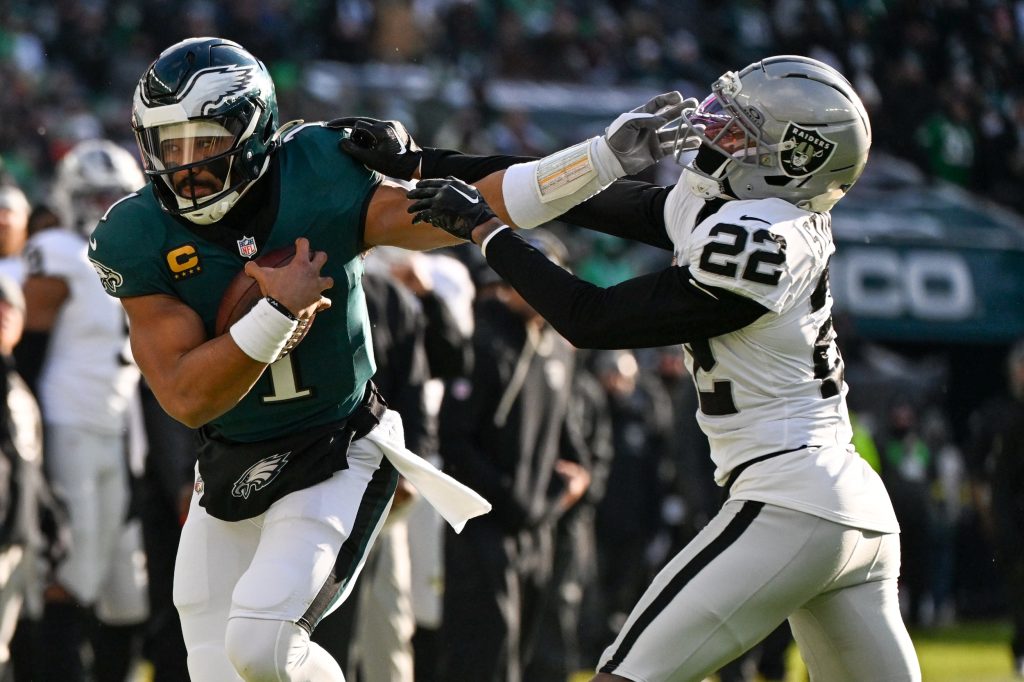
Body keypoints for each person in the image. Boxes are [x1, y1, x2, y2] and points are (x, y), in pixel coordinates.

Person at [341, 54, 921, 681]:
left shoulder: (762, 240)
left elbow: (593, 319)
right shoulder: (743, 215)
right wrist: (422, 162)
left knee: (624, 675)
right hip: (845, 504)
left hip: (792, 498)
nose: (713, 129)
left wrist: (486, 234)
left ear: (792, 160)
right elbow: (569, 202)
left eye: (740, 130)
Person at [85, 37, 490, 682]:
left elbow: (466, 208)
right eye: (170, 145)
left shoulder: (320, 175)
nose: (186, 165)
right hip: (231, 463)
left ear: (249, 134)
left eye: (205, 141)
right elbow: (187, 397)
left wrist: (596, 167)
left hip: (336, 446)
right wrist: (277, 314)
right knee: (218, 671)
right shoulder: (137, 235)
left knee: (264, 646)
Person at [20, 139, 150, 681]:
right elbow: (27, 352)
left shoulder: (139, 255)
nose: (104, 208)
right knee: (72, 571)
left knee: (124, 583)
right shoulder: (57, 250)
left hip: (118, 428)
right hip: (67, 421)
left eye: (115, 197)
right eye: (94, 196)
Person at [436, 231, 591, 682]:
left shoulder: (556, 348)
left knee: (525, 652)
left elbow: (566, 440)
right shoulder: (484, 342)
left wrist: (568, 487)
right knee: (486, 655)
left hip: (537, 530)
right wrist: (509, 500)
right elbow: (455, 439)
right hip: (486, 530)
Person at [0, 273, 69, 679]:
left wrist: (51, 516)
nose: (4, 312)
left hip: (16, 542)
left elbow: (29, 467)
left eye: (12, 306)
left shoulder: (19, 386)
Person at [966, 340, 1024, 677]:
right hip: (1011, 516)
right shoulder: (999, 415)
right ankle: (1020, 649)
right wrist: (990, 516)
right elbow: (986, 475)